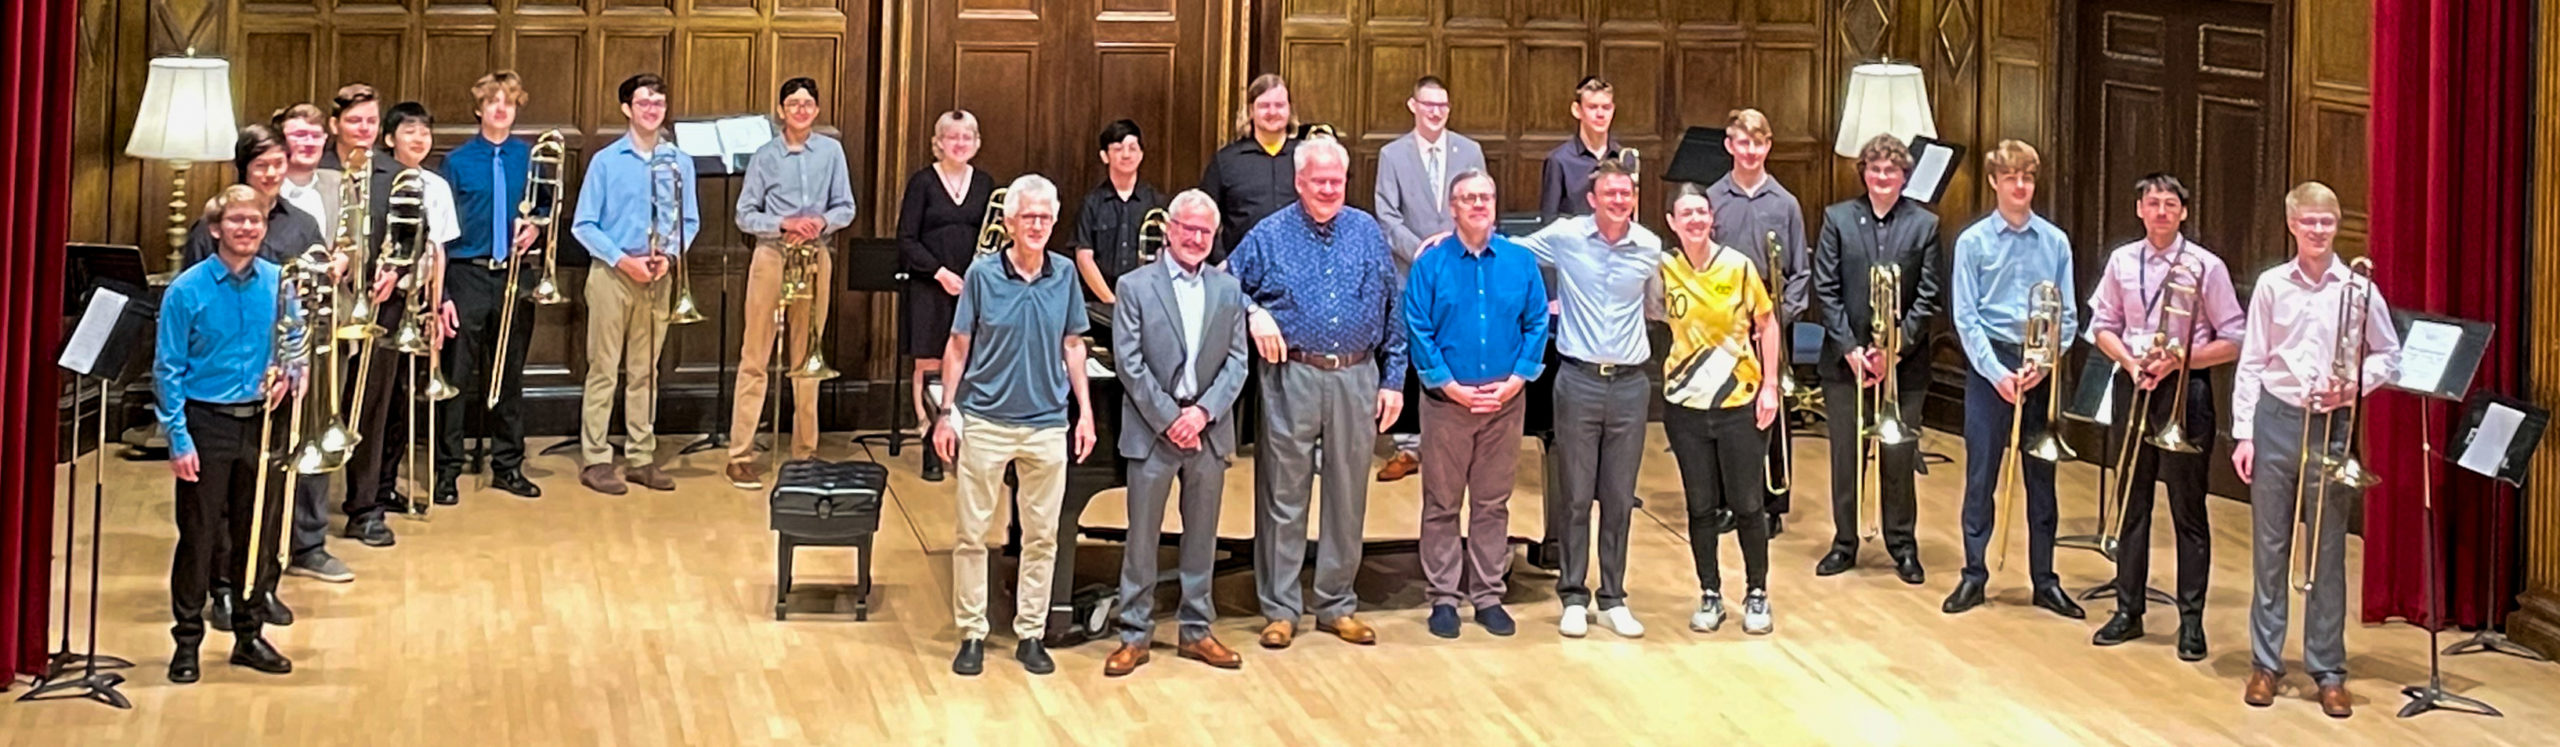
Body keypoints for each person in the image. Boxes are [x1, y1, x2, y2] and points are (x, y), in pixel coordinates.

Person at [1229, 135, 1407, 649]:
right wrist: (1253, 312)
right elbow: (1224, 284)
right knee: (1283, 495)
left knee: (1348, 496)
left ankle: (1336, 604)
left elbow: (1392, 309)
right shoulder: (1269, 234)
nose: (1329, 189)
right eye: (1319, 180)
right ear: (1299, 181)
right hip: (1293, 376)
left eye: (1337, 180)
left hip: (1357, 375)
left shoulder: (1367, 231)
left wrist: (1393, 380)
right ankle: (1281, 608)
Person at [2233, 181, 2400, 718]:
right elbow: (2252, 362)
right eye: (2309, 222)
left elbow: (2388, 356)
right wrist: (2243, 433)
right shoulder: (2271, 286)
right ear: (2292, 225)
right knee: (2270, 547)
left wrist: (2351, 386)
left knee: (2328, 551)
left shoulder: (2357, 289)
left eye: (2327, 222)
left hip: (2332, 424)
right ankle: (2265, 663)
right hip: (2276, 420)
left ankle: (2328, 669)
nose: (2319, 231)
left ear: (2337, 226)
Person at [931, 174, 1098, 677]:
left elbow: (1074, 344)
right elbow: (959, 345)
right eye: (1029, 217)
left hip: (1047, 424)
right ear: (1009, 223)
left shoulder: (1066, 274)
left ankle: (1030, 632)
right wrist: (947, 413)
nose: (1038, 226)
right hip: (985, 421)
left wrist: (1085, 412)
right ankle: (973, 632)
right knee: (971, 533)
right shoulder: (982, 275)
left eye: (1046, 218)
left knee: (1042, 536)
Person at [173, 125, 343, 589]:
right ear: (243, 168)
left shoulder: (303, 224)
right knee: (220, 506)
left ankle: (261, 585)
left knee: (263, 500)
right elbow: (192, 307)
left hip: (279, 388)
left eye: (278, 163)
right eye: (261, 164)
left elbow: (311, 304)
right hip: (220, 388)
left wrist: (298, 363)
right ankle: (223, 586)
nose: (271, 172)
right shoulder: (209, 229)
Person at [2085, 173, 2245, 660]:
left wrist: (2180, 360)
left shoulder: (2205, 266)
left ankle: (2191, 621)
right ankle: (2127, 610)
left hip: (2185, 390)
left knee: (2188, 511)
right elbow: (2101, 326)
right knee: (2132, 503)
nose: (2160, 211)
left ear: (2184, 213)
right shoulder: (2121, 260)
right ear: (2139, 210)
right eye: (2152, 203)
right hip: (2133, 383)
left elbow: (2234, 338)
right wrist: (2132, 364)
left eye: (2170, 204)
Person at [156, 185, 301, 682]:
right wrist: (178, 439)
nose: (247, 229)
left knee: (255, 535)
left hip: (262, 422)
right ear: (216, 229)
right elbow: (167, 370)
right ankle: (187, 642)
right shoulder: (187, 290)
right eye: (237, 221)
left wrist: (290, 373)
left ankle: (248, 635)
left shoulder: (281, 283)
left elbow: (295, 343)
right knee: (197, 539)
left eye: (255, 221)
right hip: (206, 423)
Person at [1102, 189, 1250, 676]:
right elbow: (1129, 364)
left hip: (1207, 430)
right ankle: (1134, 634)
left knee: (1202, 537)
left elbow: (1237, 363)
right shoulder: (1134, 286)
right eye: (1188, 228)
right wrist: (1170, 418)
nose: (1196, 238)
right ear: (1169, 229)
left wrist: (1202, 414)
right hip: (1153, 430)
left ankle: (1196, 631)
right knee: (1142, 539)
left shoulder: (1228, 290)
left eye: (1205, 232)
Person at [1510, 159, 1660, 639]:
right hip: (1577, 381)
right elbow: (1509, 250)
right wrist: (1447, 241)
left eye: (1626, 193)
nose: (1619, 201)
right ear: (1592, 200)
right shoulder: (1565, 236)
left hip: (1632, 386)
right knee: (1575, 496)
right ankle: (1574, 594)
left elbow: (1661, 303)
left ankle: (1613, 596)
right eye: (1610, 194)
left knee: (1617, 497)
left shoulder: (1650, 247)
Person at [1402, 169, 1543, 639]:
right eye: (1468, 198)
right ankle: (1443, 597)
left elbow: (1536, 323)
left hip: (1504, 403)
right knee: (1441, 502)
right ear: (1453, 207)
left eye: (1486, 196)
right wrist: (1448, 384)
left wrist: (1517, 380)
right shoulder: (1431, 264)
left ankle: (1487, 594)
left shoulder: (1520, 263)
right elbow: (1417, 327)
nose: (1479, 204)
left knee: (1492, 503)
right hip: (1448, 404)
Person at [1943, 140, 2081, 620]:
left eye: (2027, 178)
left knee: (2042, 479)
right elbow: (1965, 315)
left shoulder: (2055, 242)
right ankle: (1973, 574)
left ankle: (2045, 579)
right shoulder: (1973, 242)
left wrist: (2044, 363)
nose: (2020, 186)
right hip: (1992, 368)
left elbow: (2068, 315)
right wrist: (1998, 373)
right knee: (1981, 475)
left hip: (2039, 365)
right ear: (1994, 183)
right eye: (2011, 178)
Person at [1810, 134, 1940, 585]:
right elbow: (1825, 289)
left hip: (1904, 368)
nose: (1882, 177)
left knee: (1898, 457)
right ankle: (1845, 541)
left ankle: (1902, 545)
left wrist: (1893, 351)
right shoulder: (1838, 219)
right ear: (1863, 172)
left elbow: (1928, 296)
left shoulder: (1924, 225)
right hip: (1846, 363)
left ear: (1904, 176)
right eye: (1874, 169)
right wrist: (1851, 349)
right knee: (1846, 456)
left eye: (1891, 170)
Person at [1660, 184, 1783, 635]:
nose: (1694, 219)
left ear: (1712, 218)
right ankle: (1710, 593)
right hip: (1685, 406)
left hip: (1739, 402)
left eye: (1701, 212)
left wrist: (1769, 385)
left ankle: (1757, 593)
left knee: (1749, 503)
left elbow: (1766, 325)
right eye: (1685, 213)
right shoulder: (1664, 269)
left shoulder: (1738, 266)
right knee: (1700, 506)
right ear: (1672, 222)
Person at [726, 76, 859, 489]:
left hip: (816, 255)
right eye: (793, 104)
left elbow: (846, 207)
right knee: (756, 354)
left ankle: (806, 452)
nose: (801, 110)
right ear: (781, 110)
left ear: (816, 111)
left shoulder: (831, 151)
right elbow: (744, 215)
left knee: (808, 357)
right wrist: (783, 223)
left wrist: (820, 221)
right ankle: (740, 453)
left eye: (808, 104)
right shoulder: (766, 155)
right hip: (772, 255)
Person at [571, 73, 700, 494]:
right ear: (627, 108)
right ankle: (596, 459)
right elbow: (584, 224)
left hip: (657, 275)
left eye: (658, 104)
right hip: (613, 274)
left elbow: (690, 221)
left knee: (645, 370)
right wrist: (623, 260)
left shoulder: (679, 161)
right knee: (604, 369)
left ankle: (642, 455)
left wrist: (669, 257)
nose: (652, 110)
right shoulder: (606, 161)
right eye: (644, 103)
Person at [339, 101, 459, 546]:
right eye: (356, 121)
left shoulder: (405, 183)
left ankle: (371, 498)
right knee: (354, 406)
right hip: (346, 303)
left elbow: (428, 247)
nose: (364, 129)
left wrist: (432, 298)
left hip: (394, 303)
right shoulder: (337, 177)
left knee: (386, 407)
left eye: (370, 120)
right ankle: (345, 505)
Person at [435, 70, 546, 503]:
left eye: (509, 102)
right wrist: (442, 291)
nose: (501, 108)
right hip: (467, 272)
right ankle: (448, 469)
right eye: (493, 101)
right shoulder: (457, 162)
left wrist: (535, 228)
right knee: (457, 376)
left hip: (514, 274)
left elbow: (543, 206)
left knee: (510, 374)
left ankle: (508, 465)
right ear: (479, 108)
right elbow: (442, 226)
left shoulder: (530, 156)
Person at [1372, 75, 1486, 483]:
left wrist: (1454, 249)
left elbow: (1479, 205)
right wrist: (1421, 249)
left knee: (1454, 352)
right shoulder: (1392, 155)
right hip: (1411, 270)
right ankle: (1406, 447)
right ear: (1413, 106)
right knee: (1408, 355)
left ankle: (1450, 440)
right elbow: (1386, 215)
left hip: (1460, 271)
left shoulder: (1469, 150)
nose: (1436, 112)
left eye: (1443, 105)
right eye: (1428, 104)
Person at [1706, 108, 1809, 534]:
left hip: (1768, 321)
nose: (1750, 151)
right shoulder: (1712, 199)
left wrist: (1773, 319)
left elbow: (1800, 270)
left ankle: (1771, 504)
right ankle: (1728, 500)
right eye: (1742, 143)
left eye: (1758, 143)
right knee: (1723, 412)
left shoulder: (1786, 204)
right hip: (1723, 322)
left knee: (1771, 410)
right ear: (1730, 146)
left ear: (1768, 146)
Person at [896, 110, 996, 482]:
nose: (959, 144)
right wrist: (939, 273)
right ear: (938, 143)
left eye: (967, 137)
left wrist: (976, 277)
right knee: (930, 363)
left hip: (974, 287)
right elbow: (906, 238)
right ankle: (929, 442)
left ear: (976, 143)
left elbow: (996, 236)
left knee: (969, 360)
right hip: (929, 285)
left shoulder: (986, 184)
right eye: (952, 137)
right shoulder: (922, 182)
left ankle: (963, 440)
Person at [1199, 74, 1302, 261]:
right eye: (1264, 106)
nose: (1272, 112)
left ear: (1290, 110)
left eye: (1279, 105)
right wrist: (1221, 264)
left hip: (1302, 268)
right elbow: (1203, 218)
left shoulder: (1307, 157)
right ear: (1250, 111)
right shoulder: (1226, 161)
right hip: (1241, 275)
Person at [1068, 118, 1166, 305]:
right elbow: (1084, 258)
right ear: (1105, 156)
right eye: (1118, 148)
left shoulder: (1156, 203)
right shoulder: (1091, 203)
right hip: (1099, 303)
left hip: (1146, 301)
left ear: (1141, 154)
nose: (1126, 155)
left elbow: (1166, 256)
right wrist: (1111, 301)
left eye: (1132, 148)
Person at [1536, 76, 1624, 224]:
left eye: (1606, 107)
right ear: (1577, 110)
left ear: (1613, 110)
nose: (1601, 114)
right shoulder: (1559, 160)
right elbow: (1549, 221)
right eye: (1592, 107)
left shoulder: (1624, 158)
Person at [271, 103, 337, 227]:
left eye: (316, 136)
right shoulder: (266, 186)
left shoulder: (338, 183)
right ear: (280, 139)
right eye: (300, 135)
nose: (310, 143)